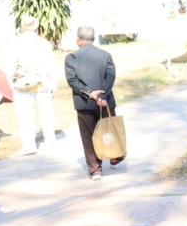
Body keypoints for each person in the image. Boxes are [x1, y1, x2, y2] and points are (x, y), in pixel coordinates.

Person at [64, 26, 118, 180]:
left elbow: (72, 80)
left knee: (88, 135)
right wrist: (102, 94)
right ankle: (115, 155)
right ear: (93, 39)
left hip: (84, 102)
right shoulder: (105, 55)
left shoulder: (71, 58)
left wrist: (89, 93)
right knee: (110, 130)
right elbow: (111, 77)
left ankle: (95, 169)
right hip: (105, 101)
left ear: (78, 40)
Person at [11, 17, 59, 155]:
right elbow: (51, 65)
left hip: (23, 83)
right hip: (43, 82)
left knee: (25, 115)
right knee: (46, 112)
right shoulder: (43, 43)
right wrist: (53, 83)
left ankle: (29, 145)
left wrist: (13, 77)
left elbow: (9, 66)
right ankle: (50, 140)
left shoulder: (15, 43)